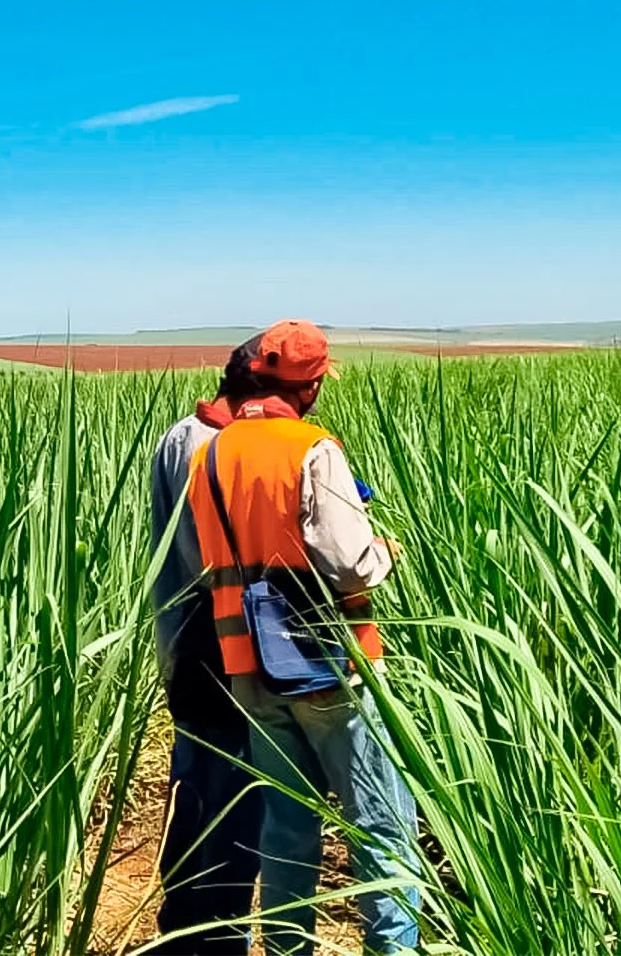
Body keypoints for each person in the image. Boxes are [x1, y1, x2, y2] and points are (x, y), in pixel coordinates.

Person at [185, 319, 420, 956]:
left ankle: (289, 949)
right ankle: (392, 949)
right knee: (382, 823)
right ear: (311, 385)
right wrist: (386, 553)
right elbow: (349, 562)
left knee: (287, 827)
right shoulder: (314, 449)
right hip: (329, 664)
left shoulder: (211, 453)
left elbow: (214, 565)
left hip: (247, 664)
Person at [149, 342, 268, 953]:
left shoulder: (180, 433)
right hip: (222, 645)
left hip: (182, 640)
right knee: (236, 798)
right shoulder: (214, 447)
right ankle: (216, 940)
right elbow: (215, 562)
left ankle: (181, 931)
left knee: (195, 783)